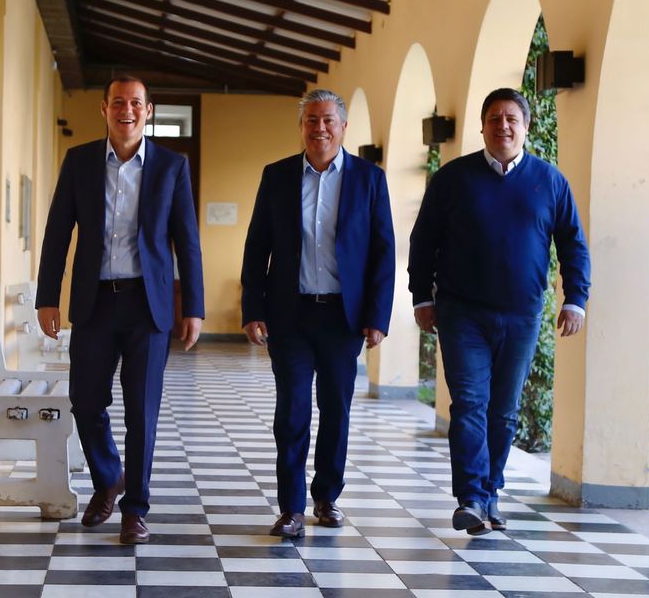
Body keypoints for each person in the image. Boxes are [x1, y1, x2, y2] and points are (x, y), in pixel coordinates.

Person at [408, 88, 590, 535]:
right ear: (482, 126)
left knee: (504, 411)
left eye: (511, 118)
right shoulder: (453, 178)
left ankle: (489, 493)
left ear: (526, 126)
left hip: (521, 316)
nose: (503, 126)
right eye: (494, 118)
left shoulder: (549, 181)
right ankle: (471, 497)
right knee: (470, 403)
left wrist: (575, 298)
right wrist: (422, 297)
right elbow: (423, 240)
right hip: (462, 314)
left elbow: (573, 243)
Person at [36, 75, 204, 544]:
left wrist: (194, 306)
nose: (126, 110)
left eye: (135, 103)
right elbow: (57, 232)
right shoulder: (80, 161)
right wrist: (47, 296)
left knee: (142, 412)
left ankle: (135, 510)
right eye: (117, 102)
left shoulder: (172, 166)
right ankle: (109, 476)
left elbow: (187, 240)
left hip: (148, 306)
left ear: (148, 111)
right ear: (104, 109)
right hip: (94, 303)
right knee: (86, 401)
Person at [241, 89, 395, 538]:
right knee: (291, 413)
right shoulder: (277, 176)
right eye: (311, 120)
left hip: (342, 318)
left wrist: (378, 316)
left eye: (328, 120)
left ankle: (326, 497)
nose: (320, 128)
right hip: (289, 315)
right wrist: (253, 308)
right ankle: (291, 507)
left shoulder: (369, 179)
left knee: (336, 410)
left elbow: (383, 251)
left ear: (344, 127)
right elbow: (257, 246)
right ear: (302, 127)